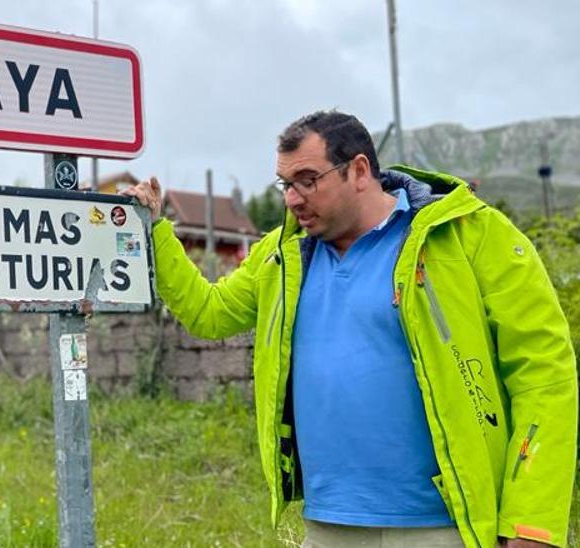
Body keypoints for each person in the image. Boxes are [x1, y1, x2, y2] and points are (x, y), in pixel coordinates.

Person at [122, 111, 576, 547]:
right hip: (328, 527)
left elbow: (544, 375)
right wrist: (156, 229)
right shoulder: (282, 256)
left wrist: (531, 520)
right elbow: (209, 313)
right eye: (285, 184)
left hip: (447, 529)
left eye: (307, 180)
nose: (292, 199)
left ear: (358, 171)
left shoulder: (469, 234)